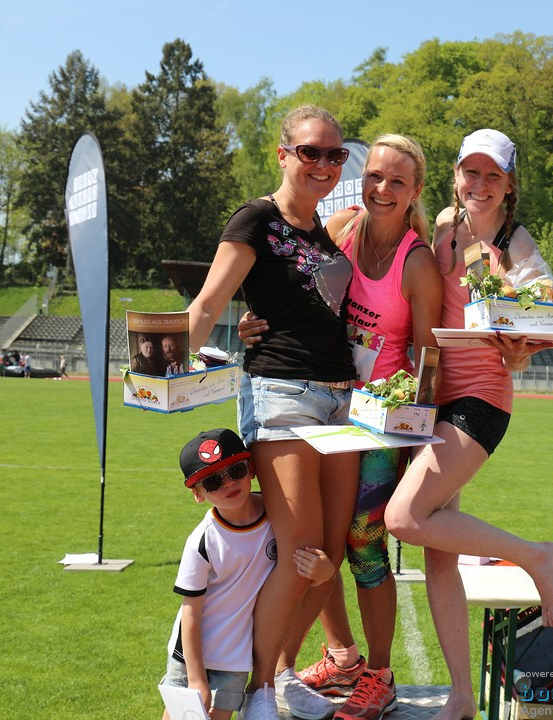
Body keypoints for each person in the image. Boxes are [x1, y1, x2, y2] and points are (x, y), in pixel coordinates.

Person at [238, 134, 441, 720]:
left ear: (415, 191)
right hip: (327, 402)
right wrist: (258, 322)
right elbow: (295, 289)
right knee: (320, 538)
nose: (381, 188)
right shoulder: (341, 228)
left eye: (396, 181)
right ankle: (341, 654)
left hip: (377, 422)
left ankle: (379, 674)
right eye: (374, 175)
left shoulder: (417, 260)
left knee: (362, 541)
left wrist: (408, 421)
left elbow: (427, 359)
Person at [383, 128, 553, 720]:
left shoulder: (515, 241)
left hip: (481, 401)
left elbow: (551, 312)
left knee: (404, 518)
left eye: (493, 176)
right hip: (433, 398)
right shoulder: (442, 224)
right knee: (439, 553)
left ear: (509, 185)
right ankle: (461, 698)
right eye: (471, 172)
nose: (479, 185)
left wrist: (523, 342)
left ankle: (536, 556)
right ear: (456, 176)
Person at [185, 105, 360, 720]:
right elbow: (210, 301)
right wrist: (165, 359)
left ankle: (280, 670)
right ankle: (260, 688)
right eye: (310, 151)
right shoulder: (256, 219)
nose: (323, 164)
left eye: (335, 155)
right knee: (300, 551)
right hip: (283, 394)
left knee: (328, 557)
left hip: (343, 402)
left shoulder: (323, 232)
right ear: (283, 154)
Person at [160, 428, 334, 720]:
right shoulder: (202, 541)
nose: (228, 483)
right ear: (197, 494)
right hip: (191, 656)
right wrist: (196, 677)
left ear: (251, 469)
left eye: (236, 470)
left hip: (236, 658)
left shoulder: (277, 518)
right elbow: (190, 614)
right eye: (213, 480)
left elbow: (298, 578)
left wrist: (325, 572)